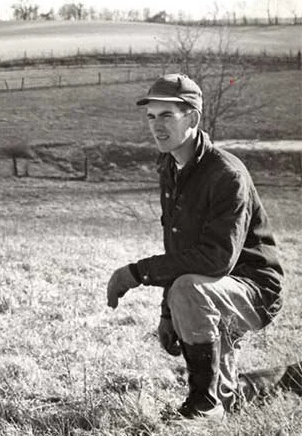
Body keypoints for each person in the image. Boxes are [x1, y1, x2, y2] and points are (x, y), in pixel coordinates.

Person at [106, 73, 284, 419]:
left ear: (194, 118)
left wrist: (136, 273)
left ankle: (203, 406)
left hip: (254, 288)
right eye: (151, 117)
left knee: (189, 289)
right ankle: (291, 378)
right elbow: (179, 250)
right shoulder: (171, 167)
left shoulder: (225, 174)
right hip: (213, 286)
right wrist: (167, 313)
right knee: (232, 395)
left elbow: (214, 259)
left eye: (167, 116)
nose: (157, 126)